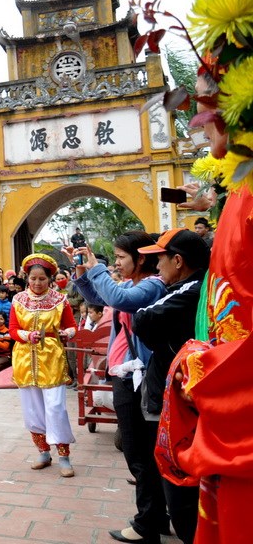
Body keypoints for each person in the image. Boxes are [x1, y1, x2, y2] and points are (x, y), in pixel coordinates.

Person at [67, 231, 167, 544]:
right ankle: (157, 516)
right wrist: (83, 273)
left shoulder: (153, 284)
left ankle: (146, 523)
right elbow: (99, 298)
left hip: (140, 376)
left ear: (141, 258)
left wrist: (96, 267)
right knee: (139, 450)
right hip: (125, 374)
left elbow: (119, 300)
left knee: (139, 450)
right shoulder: (130, 284)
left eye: (122, 257)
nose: (118, 264)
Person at [131, 229, 208, 544]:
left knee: (178, 476)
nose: (155, 266)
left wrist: (162, 346)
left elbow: (142, 319)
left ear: (178, 260)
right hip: (186, 392)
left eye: (159, 258)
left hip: (181, 399)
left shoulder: (191, 287)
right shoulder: (203, 285)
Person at [10, 254, 77, 477]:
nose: (37, 283)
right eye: (33, 279)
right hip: (25, 358)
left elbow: (71, 326)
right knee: (33, 409)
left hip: (51, 358)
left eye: (42, 279)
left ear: (50, 280)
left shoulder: (60, 300)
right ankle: (43, 452)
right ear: (27, 278)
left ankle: (64, 456)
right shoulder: (18, 299)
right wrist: (27, 335)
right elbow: (12, 330)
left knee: (56, 407)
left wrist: (67, 333)